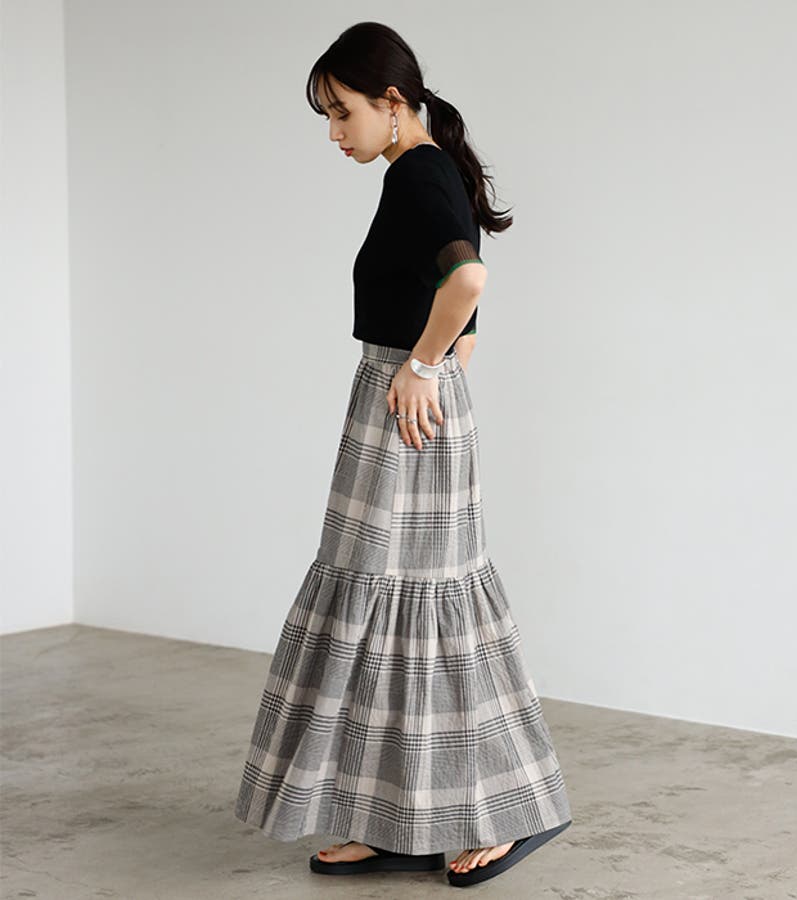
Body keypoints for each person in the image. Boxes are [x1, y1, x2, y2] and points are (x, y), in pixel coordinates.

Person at [233, 21, 573, 888]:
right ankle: (398, 817)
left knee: (422, 611)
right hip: (403, 404)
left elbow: (468, 280)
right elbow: (459, 295)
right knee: (391, 613)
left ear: (392, 101)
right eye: (326, 117)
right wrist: (440, 361)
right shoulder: (427, 169)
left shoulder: (419, 171)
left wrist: (421, 367)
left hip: (405, 406)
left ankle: (513, 812)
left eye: (341, 112)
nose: (334, 133)